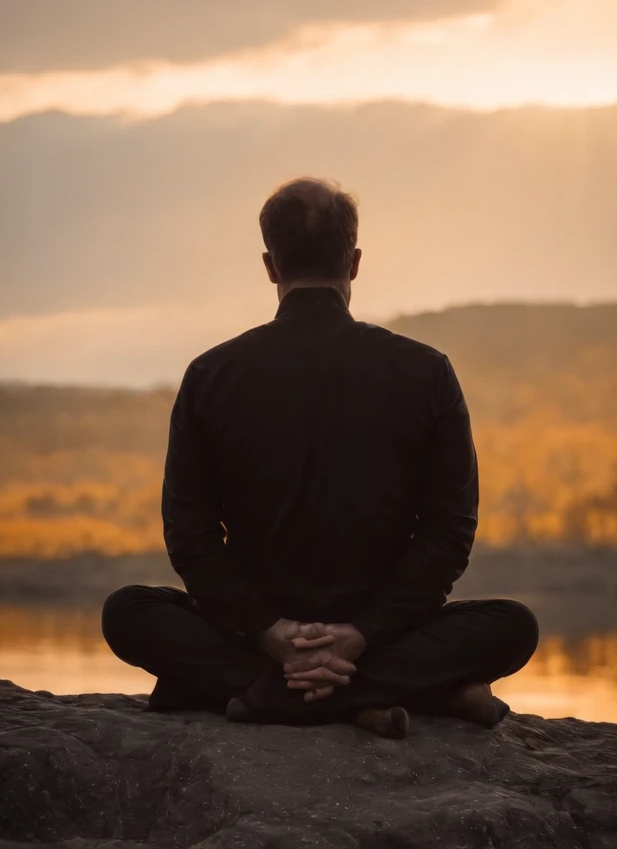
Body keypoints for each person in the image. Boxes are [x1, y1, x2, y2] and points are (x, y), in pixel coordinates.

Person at [102, 177, 538, 738]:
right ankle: (396, 688)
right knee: (512, 627)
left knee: (128, 613)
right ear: (354, 263)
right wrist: (364, 634)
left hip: (255, 637)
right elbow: (449, 534)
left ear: (269, 265)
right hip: (385, 636)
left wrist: (269, 632)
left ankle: (262, 690)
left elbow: (190, 535)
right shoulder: (426, 371)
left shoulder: (212, 374)